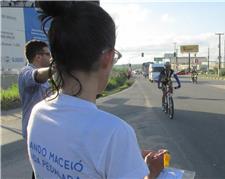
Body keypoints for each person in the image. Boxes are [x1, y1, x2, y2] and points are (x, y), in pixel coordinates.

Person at [27, 1, 164, 179]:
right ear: (107, 58)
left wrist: (126, 155)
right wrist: (151, 172)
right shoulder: (115, 133)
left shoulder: (37, 112)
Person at [18, 40, 52, 139]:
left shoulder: (46, 75)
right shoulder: (25, 72)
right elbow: (36, 76)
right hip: (33, 130)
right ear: (38, 57)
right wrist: (55, 68)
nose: (51, 58)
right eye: (48, 54)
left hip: (44, 127)